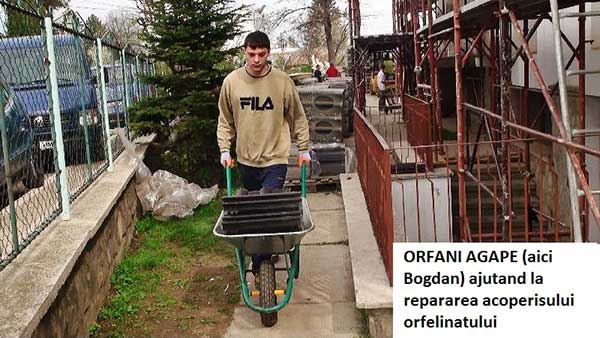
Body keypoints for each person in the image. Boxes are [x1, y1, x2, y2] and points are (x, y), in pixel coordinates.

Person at [216, 31, 311, 280]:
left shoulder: (281, 81)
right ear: (244, 52)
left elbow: (297, 116)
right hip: (246, 158)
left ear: (268, 53)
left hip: (275, 158)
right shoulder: (232, 82)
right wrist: (225, 150)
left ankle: (260, 266)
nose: (256, 59)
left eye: (261, 54)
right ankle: (265, 252)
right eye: (251, 54)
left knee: (266, 211)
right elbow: (225, 120)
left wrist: (304, 148)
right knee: (252, 214)